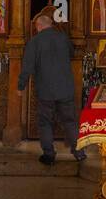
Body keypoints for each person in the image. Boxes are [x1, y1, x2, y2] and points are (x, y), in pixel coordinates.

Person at [18, 13, 85, 165]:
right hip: (65, 88)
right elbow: (72, 53)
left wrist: (21, 86)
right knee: (70, 121)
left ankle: (49, 154)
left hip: (46, 90)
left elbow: (27, 66)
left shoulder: (35, 41)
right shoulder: (63, 38)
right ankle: (79, 152)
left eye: (36, 27)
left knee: (45, 122)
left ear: (39, 26)